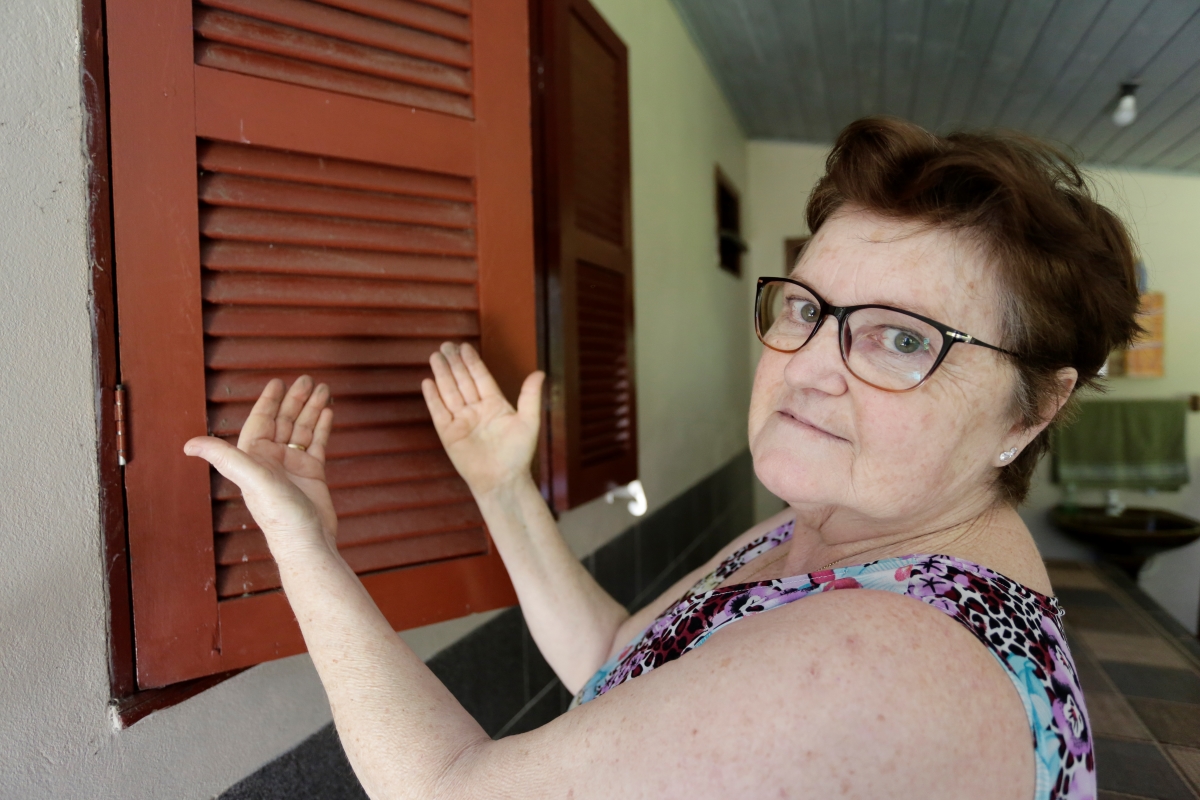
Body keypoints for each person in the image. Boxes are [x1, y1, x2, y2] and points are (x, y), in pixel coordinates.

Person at [185, 117, 1141, 799]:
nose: (806, 370)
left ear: (1038, 404)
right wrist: (501, 489)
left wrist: (304, 551)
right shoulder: (840, 529)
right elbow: (618, 657)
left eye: (900, 339)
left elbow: (451, 790)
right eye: (807, 310)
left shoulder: (890, 651)